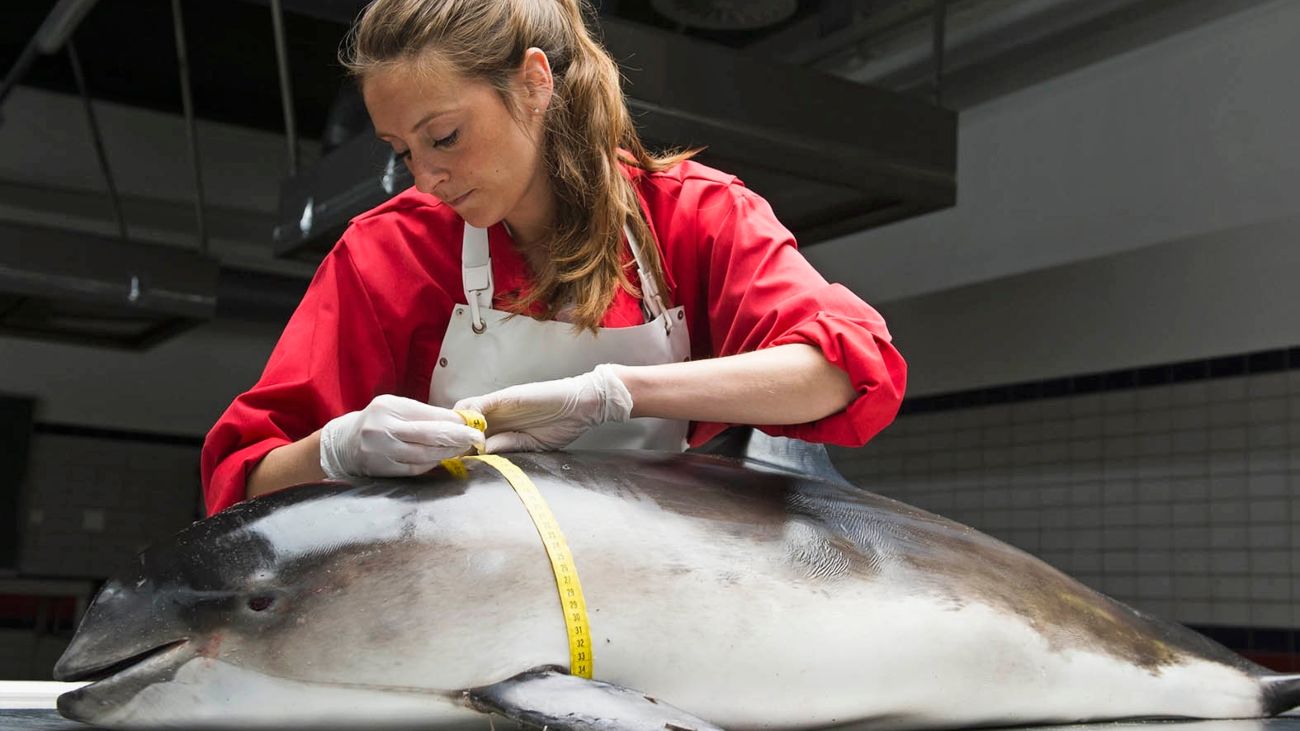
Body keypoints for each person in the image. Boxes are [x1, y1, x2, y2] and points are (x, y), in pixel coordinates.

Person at [200, 0, 907, 516]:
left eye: (443, 135)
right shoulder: (388, 252)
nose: (425, 178)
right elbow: (243, 478)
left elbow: (843, 372)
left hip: (652, 583)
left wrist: (614, 393)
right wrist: (335, 449)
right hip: (458, 602)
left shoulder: (692, 215)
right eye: (402, 152)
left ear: (535, 82)